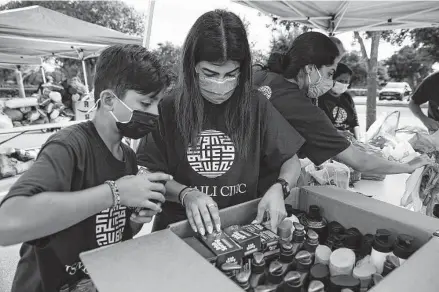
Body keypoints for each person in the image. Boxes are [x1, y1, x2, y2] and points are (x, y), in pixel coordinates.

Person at [0, 44, 172, 292]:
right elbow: (7, 224)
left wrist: (138, 217)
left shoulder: (128, 157)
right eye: (146, 103)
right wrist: (115, 193)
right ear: (109, 100)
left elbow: (115, 233)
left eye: (158, 104)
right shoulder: (69, 147)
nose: (155, 113)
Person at [137, 10, 305, 234]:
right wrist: (185, 194)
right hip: (180, 229)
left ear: (243, 69)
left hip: (242, 227)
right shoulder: (168, 106)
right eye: (210, 73)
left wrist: (280, 187)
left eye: (230, 74)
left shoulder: (256, 104)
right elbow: (147, 174)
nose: (220, 84)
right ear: (192, 65)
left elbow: (291, 161)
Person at [253, 32, 429, 190]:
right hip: (261, 190)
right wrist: (407, 166)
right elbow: (360, 161)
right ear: (310, 68)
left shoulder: (261, 77)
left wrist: (333, 134)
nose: (330, 81)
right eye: (330, 73)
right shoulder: (301, 108)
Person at [319, 63, 361, 140]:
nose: (343, 84)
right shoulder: (319, 98)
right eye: (340, 80)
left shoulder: (347, 97)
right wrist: (337, 133)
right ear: (331, 79)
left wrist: (358, 141)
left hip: (348, 143)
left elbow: (354, 123)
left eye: (346, 81)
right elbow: (317, 126)